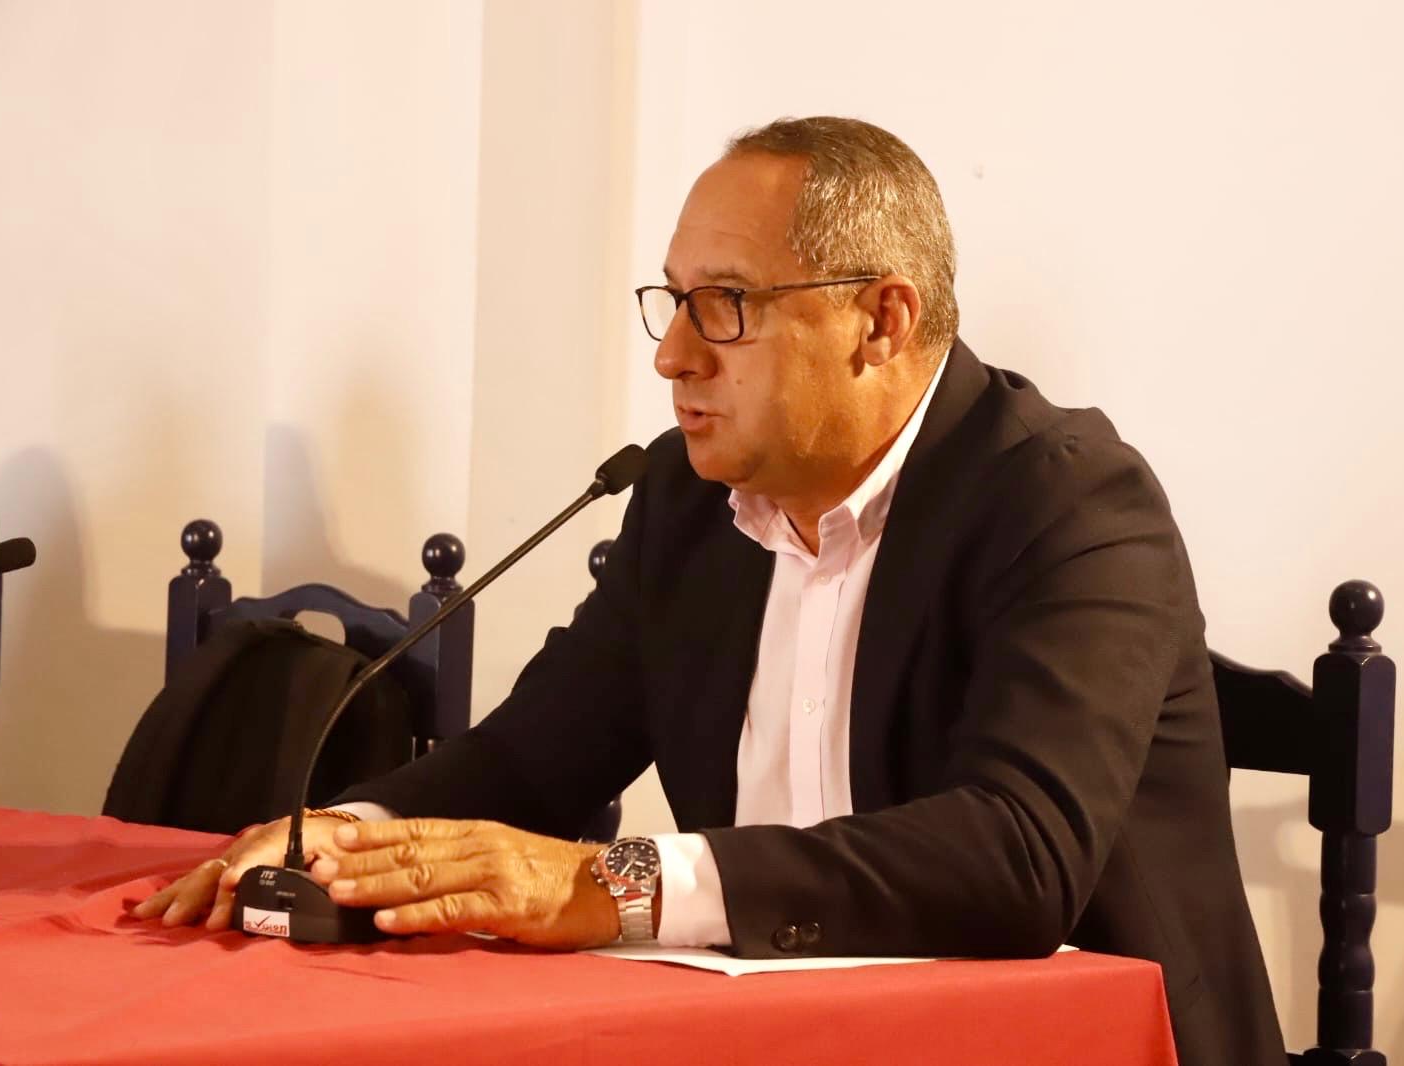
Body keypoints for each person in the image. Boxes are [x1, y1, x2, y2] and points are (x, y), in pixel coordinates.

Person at [134, 116, 1285, 1065]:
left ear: (880, 321)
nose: (673, 354)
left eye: (725, 304)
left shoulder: (1069, 503)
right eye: (672, 298)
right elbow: (532, 761)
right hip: (775, 1036)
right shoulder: (688, 505)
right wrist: (347, 837)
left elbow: (1016, 856)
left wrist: (612, 882)